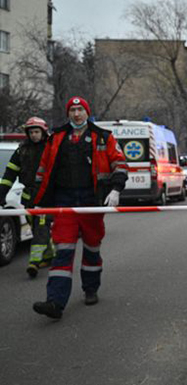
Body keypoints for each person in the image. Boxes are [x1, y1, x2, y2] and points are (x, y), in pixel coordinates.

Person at [32, 97, 128, 319]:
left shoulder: (103, 137)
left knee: (92, 247)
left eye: (80, 110)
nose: (76, 114)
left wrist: (116, 189)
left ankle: (91, 289)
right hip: (64, 200)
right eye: (73, 110)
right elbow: (43, 169)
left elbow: (119, 164)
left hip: (91, 200)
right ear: (68, 113)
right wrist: (38, 199)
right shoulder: (56, 137)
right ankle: (55, 302)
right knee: (63, 251)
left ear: (87, 112)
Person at [0, 117, 54, 278]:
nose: (34, 135)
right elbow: (9, 174)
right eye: (31, 132)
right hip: (28, 197)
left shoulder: (51, 148)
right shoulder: (21, 151)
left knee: (41, 227)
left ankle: (34, 262)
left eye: (37, 132)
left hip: (46, 196)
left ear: (43, 132)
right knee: (35, 228)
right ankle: (49, 255)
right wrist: (2, 194)